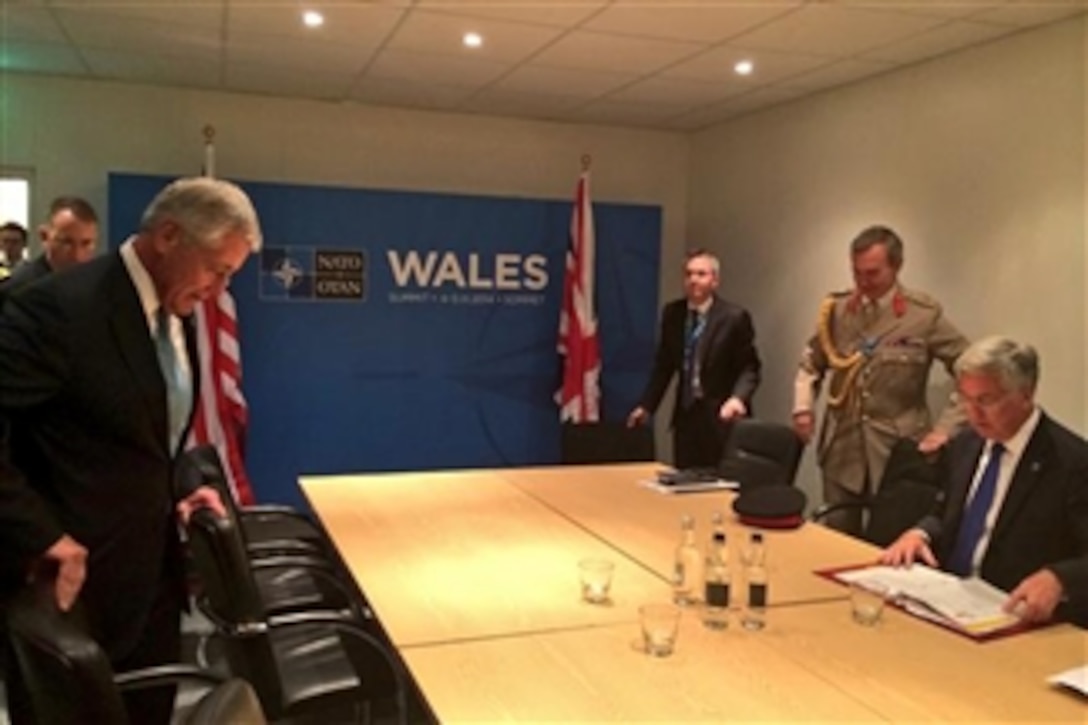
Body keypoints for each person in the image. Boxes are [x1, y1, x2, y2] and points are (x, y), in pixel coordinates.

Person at [0, 177, 262, 723]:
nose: (219, 288)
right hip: (73, 589)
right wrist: (42, 534)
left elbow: (146, 435)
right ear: (169, 236)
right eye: (217, 269)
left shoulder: (178, 311)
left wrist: (180, 489)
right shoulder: (56, 308)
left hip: (153, 581)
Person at [881, 336, 1088, 627]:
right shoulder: (966, 445)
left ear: (1026, 394)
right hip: (950, 604)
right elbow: (948, 514)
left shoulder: (1071, 462)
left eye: (985, 400)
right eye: (965, 398)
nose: (973, 413)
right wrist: (920, 533)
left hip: (1015, 615)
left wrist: (1060, 578)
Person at [793, 225, 969, 535]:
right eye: (856, 272)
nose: (863, 282)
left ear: (896, 266)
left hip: (897, 450)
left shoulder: (922, 316)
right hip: (842, 448)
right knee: (836, 542)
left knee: (888, 546)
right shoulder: (837, 311)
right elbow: (811, 363)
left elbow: (971, 370)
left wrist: (946, 429)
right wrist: (803, 407)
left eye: (872, 273)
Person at [627, 249, 761, 469]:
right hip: (687, 417)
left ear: (714, 280)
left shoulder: (733, 317)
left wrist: (738, 398)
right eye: (689, 274)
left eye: (701, 274)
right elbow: (664, 365)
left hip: (722, 417)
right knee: (686, 482)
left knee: (720, 485)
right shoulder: (673, 314)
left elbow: (750, 367)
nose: (693, 280)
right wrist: (647, 405)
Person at [0, 196, 99, 303]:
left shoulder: (98, 289)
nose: (77, 256)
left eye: (86, 243)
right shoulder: (17, 291)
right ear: (44, 236)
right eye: (66, 242)